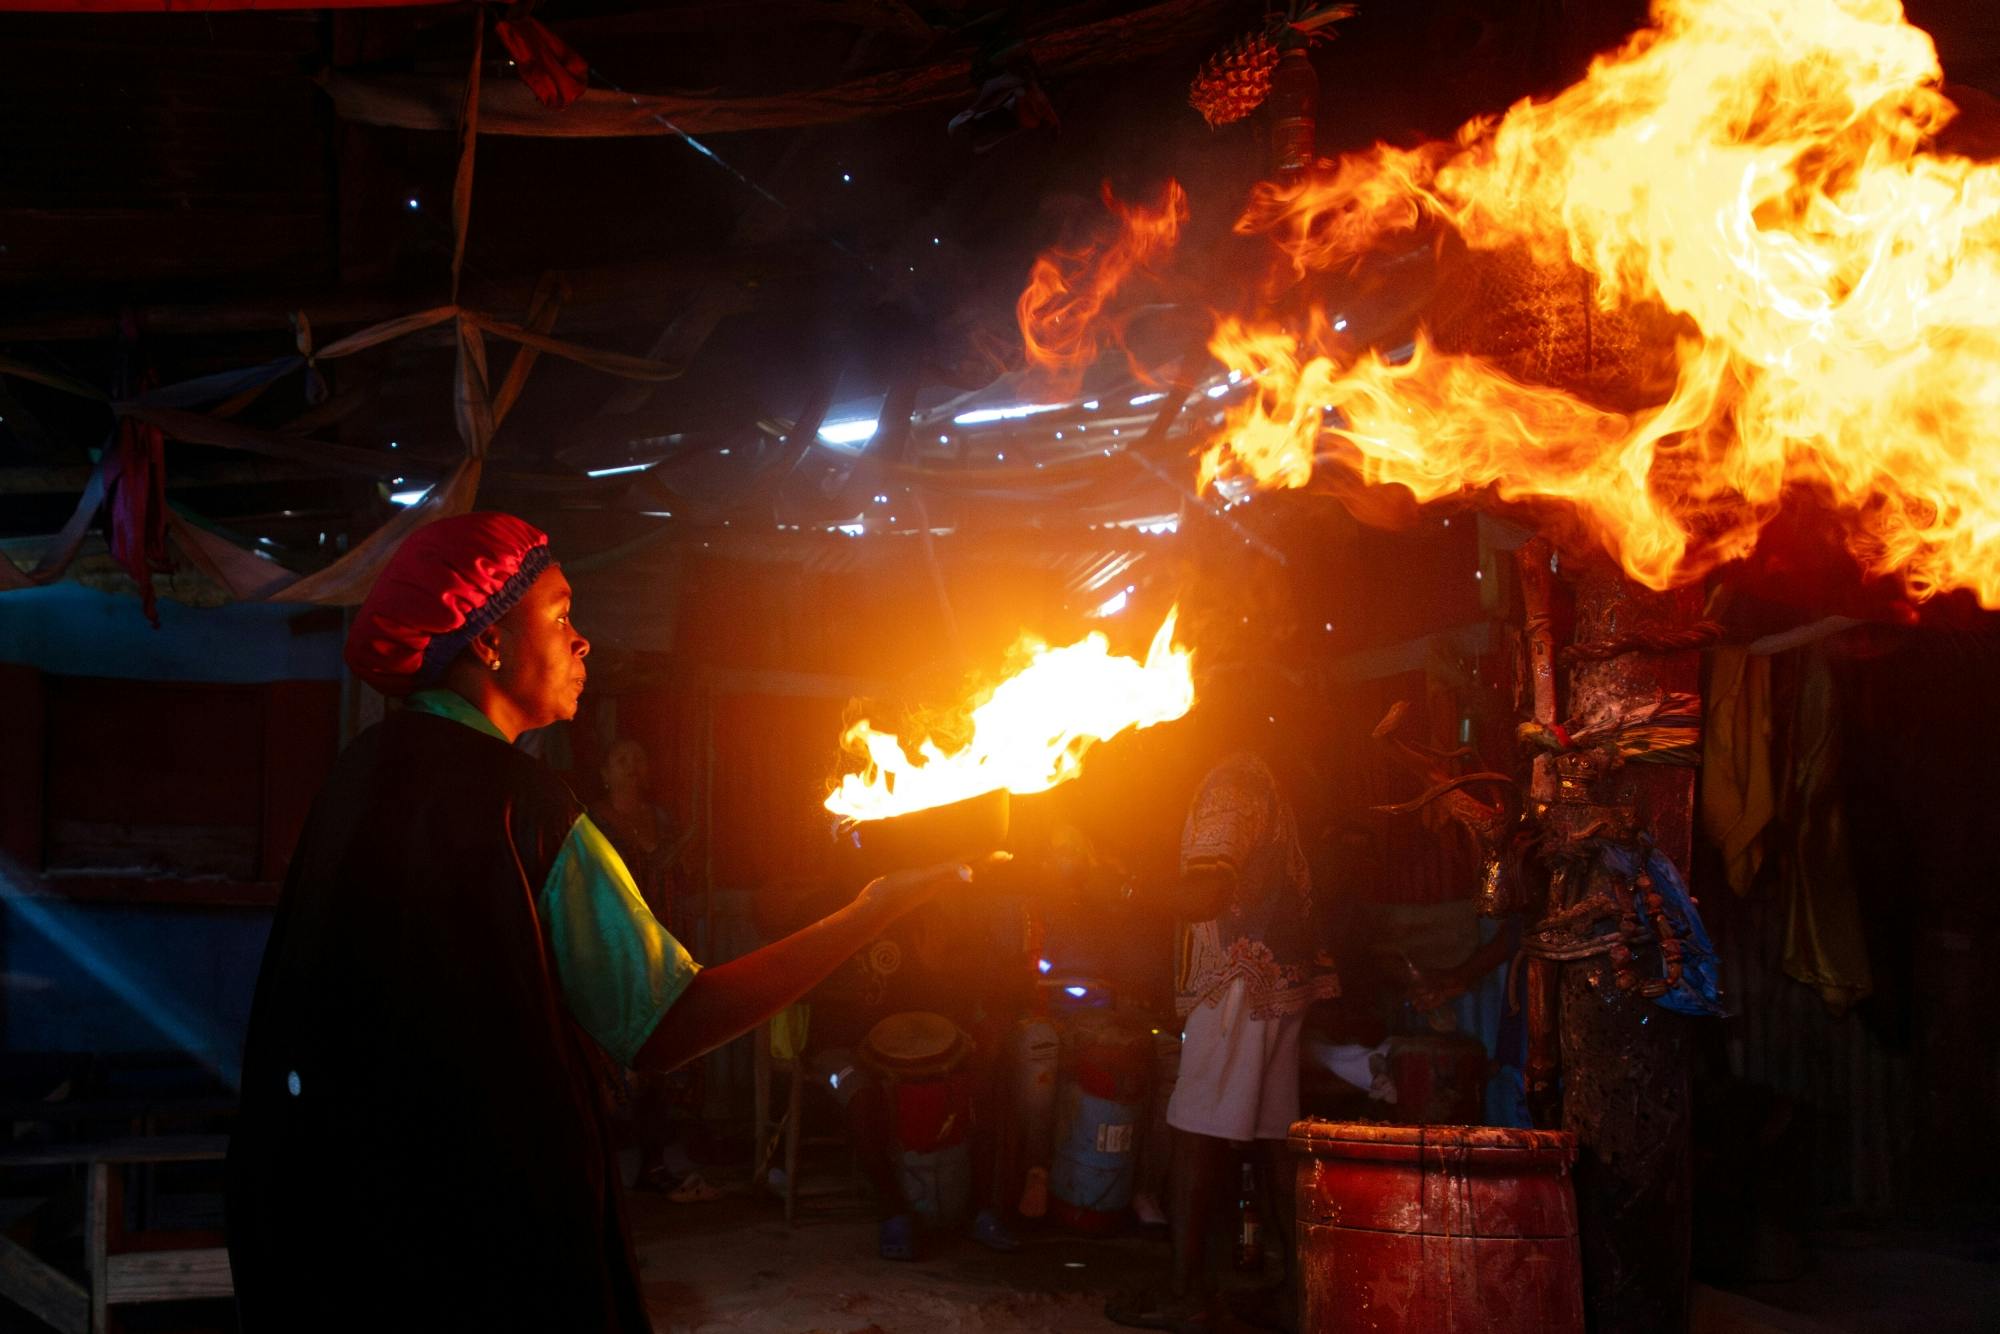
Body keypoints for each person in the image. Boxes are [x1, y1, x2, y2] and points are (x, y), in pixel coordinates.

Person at [226, 513, 987, 1332]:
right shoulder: (525, 806)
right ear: (487, 643)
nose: (582, 642)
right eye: (559, 616)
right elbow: (666, 1024)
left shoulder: (358, 774)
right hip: (483, 1247)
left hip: (324, 1236)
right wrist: (872, 912)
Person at [1109, 687, 1338, 1334]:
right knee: (1270, 1141)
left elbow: (1206, 891)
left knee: (1194, 1131)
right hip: (1270, 980)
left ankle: (1189, 1290)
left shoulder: (1228, 784)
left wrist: (1122, 887)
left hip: (1240, 980)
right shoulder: (1254, 775)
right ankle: (1301, 1292)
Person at [589, 737, 709, 1199]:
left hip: (666, 939)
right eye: (621, 761)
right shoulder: (595, 820)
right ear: (605, 772)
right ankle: (608, 1166)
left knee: (661, 1051)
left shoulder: (661, 818)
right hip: (620, 944)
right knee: (621, 1055)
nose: (632, 768)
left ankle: (654, 1164)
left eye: (639, 759)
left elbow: (686, 876)